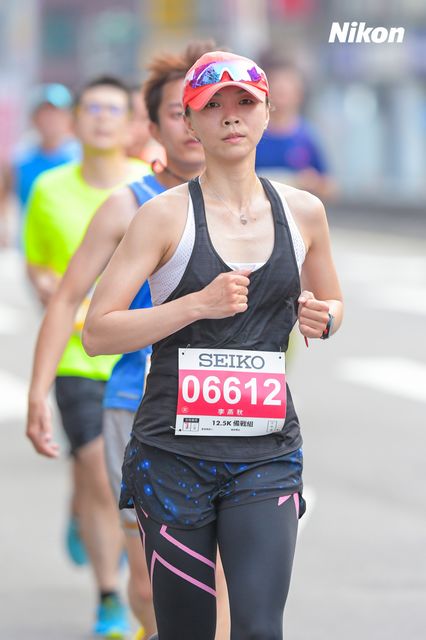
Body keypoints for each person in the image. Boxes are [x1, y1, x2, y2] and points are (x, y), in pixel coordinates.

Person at [83, 51, 343, 640]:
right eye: (212, 105)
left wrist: (323, 318)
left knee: (259, 627)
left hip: (266, 455)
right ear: (191, 122)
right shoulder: (161, 217)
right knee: (188, 631)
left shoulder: (304, 213)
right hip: (172, 457)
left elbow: (333, 303)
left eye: (245, 102)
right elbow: (97, 331)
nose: (231, 116)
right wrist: (194, 305)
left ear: (267, 113)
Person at [25, 44, 232, 640]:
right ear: (156, 126)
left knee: (217, 571)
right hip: (135, 399)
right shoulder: (129, 205)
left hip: (222, 406)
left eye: (212, 106)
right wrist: (38, 393)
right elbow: (67, 298)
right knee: (148, 584)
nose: (196, 122)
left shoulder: (256, 204)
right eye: (179, 110)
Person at [24, 75, 148, 638]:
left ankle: (95, 521)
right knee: (99, 470)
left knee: (118, 479)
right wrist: (46, 286)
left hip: (138, 355)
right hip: (78, 356)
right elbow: (38, 263)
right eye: (91, 108)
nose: (101, 118)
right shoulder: (48, 188)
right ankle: (107, 596)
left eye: (113, 109)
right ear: (75, 122)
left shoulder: (150, 187)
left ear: (132, 123)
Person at [255, 58, 336, 200]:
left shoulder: (307, 137)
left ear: (299, 94)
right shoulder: (253, 135)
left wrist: (312, 182)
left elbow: (330, 188)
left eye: (287, 88)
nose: (281, 93)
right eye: (277, 87)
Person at [13, 83, 80, 209]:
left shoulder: (80, 158)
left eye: (57, 114)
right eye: (45, 114)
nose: (51, 120)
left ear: (70, 118)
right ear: (34, 119)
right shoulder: (20, 160)